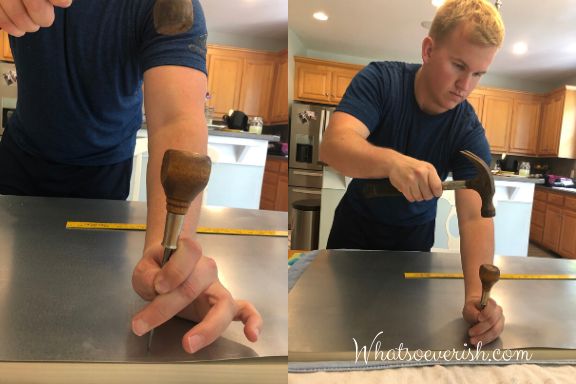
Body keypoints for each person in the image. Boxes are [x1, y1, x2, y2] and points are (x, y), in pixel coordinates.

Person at [0, 0, 261, 354]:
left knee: (88, 315)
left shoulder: (162, 5)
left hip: (104, 178)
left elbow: (176, 120)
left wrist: (168, 266)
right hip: (19, 166)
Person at [319, 0, 505, 346]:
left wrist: (476, 299)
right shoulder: (380, 80)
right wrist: (392, 163)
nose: (466, 85)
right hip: (352, 234)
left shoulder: (467, 130)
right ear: (429, 49)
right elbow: (333, 145)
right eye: (458, 65)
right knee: (338, 334)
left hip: (414, 244)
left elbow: (475, 217)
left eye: (478, 73)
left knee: (399, 337)